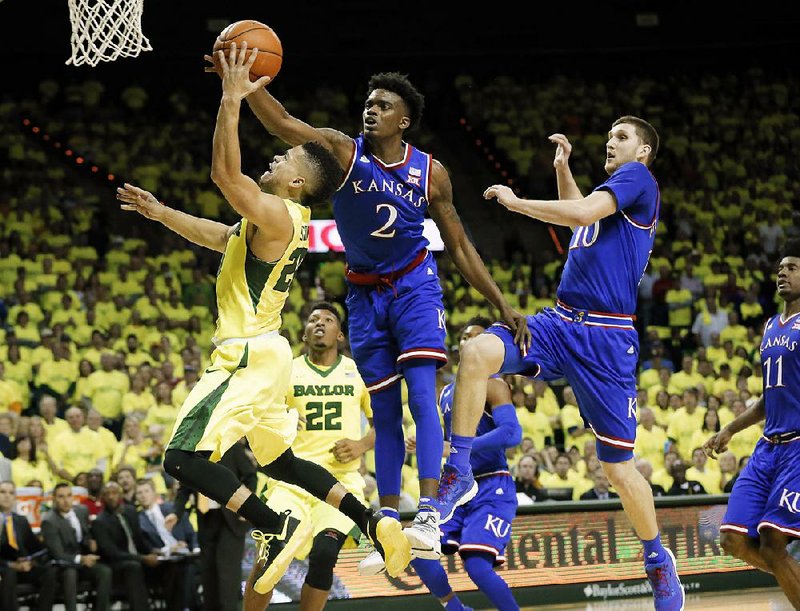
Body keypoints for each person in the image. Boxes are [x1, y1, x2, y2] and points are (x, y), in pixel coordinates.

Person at [208, 54, 529, 559]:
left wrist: (502, 303)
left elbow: (462, 246)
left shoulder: (431, 173)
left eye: (383, 105)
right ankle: (387, 522)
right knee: (381, 407)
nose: (371, 110)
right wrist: (246, 87)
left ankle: (429, 507)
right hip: (363, 293)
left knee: (422, 395)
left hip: (415, 286)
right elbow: (285, 125)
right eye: (369, 103)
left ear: (404, 120)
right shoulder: (342, 152)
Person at [119, 44, 409, 595]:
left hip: (246, 353)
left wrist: (231, 99)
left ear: (299, 184)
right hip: (271, 355)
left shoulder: (275, 211)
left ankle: (275, 528)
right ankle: (373, 521)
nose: (276, 159)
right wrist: (160, 213)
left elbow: (224, 174)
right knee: (282, 464)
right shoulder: (279, 221)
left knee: (181, 457)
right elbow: (218, 235)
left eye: (287, 160)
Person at [416, 119, 684, 610]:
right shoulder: (614, 193)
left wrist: (517, 203)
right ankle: (458, 471)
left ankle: (656, 559)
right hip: (560, 323)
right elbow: (585, 217)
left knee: (618, 470)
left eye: (622, 137)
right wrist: (563, 170)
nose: (611, 141)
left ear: (643, 151)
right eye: (610, 135)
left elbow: (581, 213)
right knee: (476, 352)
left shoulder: (638, 180)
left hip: (605, 337)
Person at [244, 302, 376, 610]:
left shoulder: (358, 372)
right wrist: (281, 420)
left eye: (328, 320)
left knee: (324, 555)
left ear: (340, 335)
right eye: (313, 318)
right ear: (304, 333)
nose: (319, 323)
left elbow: (383, 425)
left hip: (339, 483)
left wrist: (361, 445)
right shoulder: (286, 371)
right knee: (272, 551)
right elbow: (257, 420)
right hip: (291, 483)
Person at [703, 237, 800, 608]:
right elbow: (768, 396)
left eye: (791, 267)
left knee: (775, 542)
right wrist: (730, 428)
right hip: (767, 447)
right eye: (780, 269)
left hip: (797, 447)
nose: (782, 273)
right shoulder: (771, 326)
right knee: (732, 540)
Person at [412, 318, 521, 611]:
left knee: (477, 565)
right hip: (456, 486)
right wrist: (425, 443)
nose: (469, 340)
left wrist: (458, 447)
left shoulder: (494, 384)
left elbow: (512, 433)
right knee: (417, 548)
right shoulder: (446, 392)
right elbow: (442, 439)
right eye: (464, 336)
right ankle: (454, 607)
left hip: (491, 483)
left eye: (477, 336)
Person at [170, 441, 257, 611]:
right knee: (208, 576)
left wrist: (245, 505)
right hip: (206, 518)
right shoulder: (191, 450)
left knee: (227, 576)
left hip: (230, 518)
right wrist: (176, 513)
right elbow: (184, 487)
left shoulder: (231, 446)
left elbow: (250, 475)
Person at [41, 482, 112, 611]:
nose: (65, 500)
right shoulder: (49, 521)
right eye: (61, 497)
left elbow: (85, 535)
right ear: (54, 499)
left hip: (83, 560)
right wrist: (82, 559)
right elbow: (58, 554)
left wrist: (90, 542)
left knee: (104, 571)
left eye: (68, 496)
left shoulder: (81, 511)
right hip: (61, 565)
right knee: (70, 573)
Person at [0, 480, 57, 611]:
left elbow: (35, 548)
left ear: (15, 498)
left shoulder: (21, 520)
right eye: (2, 492)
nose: (7, 496)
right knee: (8, 574)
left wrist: (30, 561)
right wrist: (11, 564)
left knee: (49, 573)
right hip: (4, 567)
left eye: (11, 493)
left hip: (23, 565)